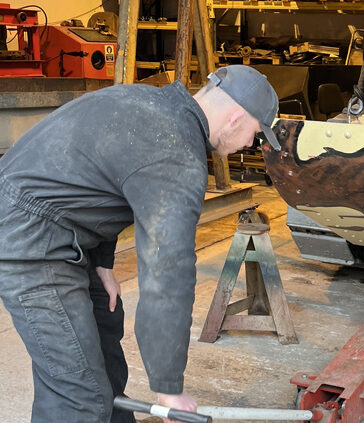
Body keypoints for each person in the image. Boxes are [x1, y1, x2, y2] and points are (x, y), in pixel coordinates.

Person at [0, 65, 279, 422]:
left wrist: (103, 262)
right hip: (29, 240)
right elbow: (167, 275)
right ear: (236, 118)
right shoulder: (176, 155)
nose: (248, 147)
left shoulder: (149, 103)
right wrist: (169, 388)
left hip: (55, 226)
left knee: (104, 342)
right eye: (255, 136)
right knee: (78, 392)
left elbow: (96, 177)